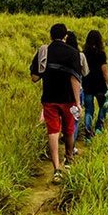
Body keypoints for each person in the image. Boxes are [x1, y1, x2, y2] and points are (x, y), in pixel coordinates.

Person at [30, 23, 84, 184]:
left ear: (51, 35)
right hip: (68, 99)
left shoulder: (43, 51)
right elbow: (75, 79)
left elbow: (34, 77)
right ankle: (69, 158)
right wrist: (77, 102)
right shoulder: (73, 53)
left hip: (49, 98)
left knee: (53, 132)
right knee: (68, 130)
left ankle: (56, 168)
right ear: (65, 36)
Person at [80, 29, 108, 140]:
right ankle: (99, 127)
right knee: (103, 106)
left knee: (89, 110)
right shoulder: (101, 54)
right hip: (99, 85)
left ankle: (88, 134)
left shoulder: (83, 53)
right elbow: (105, 71)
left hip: (87, 84)